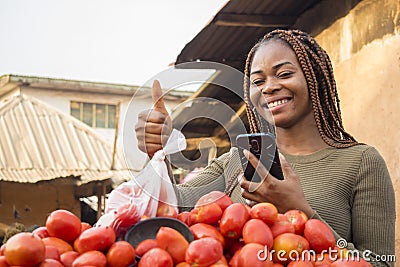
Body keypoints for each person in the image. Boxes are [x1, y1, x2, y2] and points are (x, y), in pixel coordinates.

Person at [135, 29, 395, 266]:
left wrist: (301, 210)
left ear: (314, 78)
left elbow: (379, 263)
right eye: (258, 81)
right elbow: (171, 206)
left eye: (284, 74)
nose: (269, 87)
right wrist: (156, 152)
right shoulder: (237, 160)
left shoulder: (361, 162)